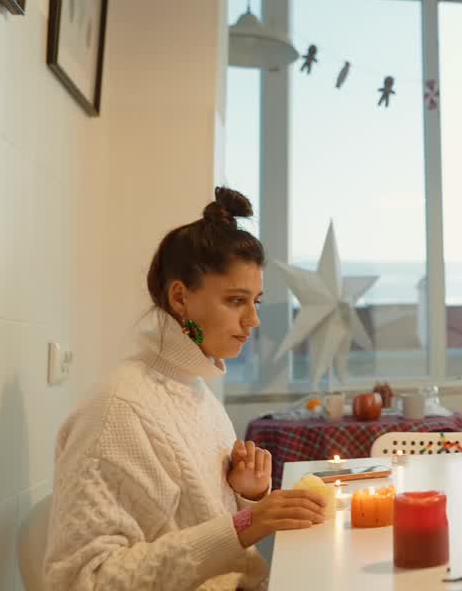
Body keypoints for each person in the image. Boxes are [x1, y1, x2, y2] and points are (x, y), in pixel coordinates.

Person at [45, 188, 328, 591]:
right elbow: (82, 580)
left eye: (256, 302)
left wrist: (245, 495)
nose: (253, 321)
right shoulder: (116, 412)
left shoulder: (194, 391)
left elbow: (197, 520)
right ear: (180, 297)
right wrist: (248, 521)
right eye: (235, 301)